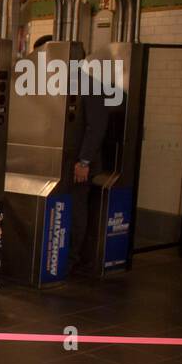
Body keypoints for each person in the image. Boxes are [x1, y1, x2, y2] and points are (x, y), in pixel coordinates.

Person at [68, 59, 111, 275]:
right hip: (66, 161)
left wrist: (84, 161)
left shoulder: (91, 87)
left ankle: (73, 257)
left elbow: (96, 127)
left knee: (77, 208)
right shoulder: (60, 84)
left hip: (80, 164)